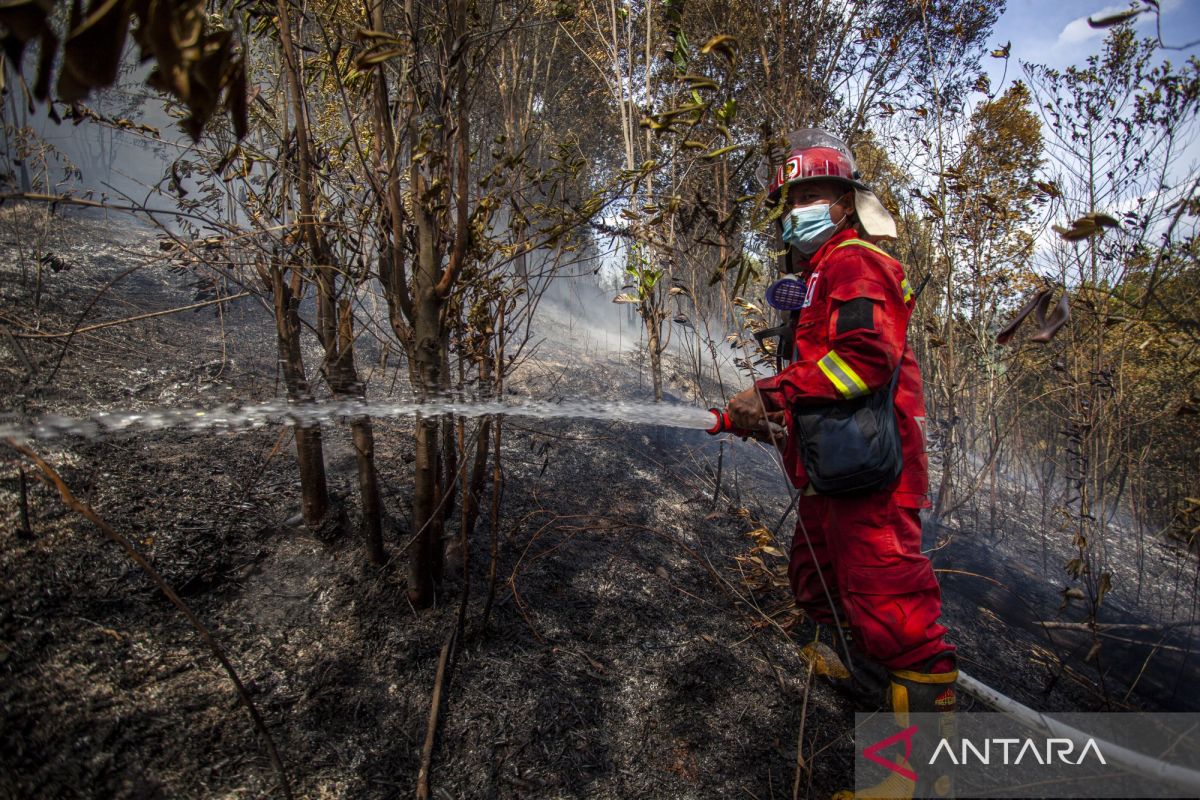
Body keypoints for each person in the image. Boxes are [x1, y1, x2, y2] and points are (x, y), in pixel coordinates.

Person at [725, 129, 956, 798]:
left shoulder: (856, 262)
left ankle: (915, 780)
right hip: (836, 472)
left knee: (898, 617)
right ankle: (863, 679)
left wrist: (769, 394)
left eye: (813, 193)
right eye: (791, 197)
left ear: (847, 203)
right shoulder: (814, 275)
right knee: (817, 578)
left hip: (875, 479)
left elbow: (863, 360)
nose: (799, 206)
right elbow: (821, 379)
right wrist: (775, 423)